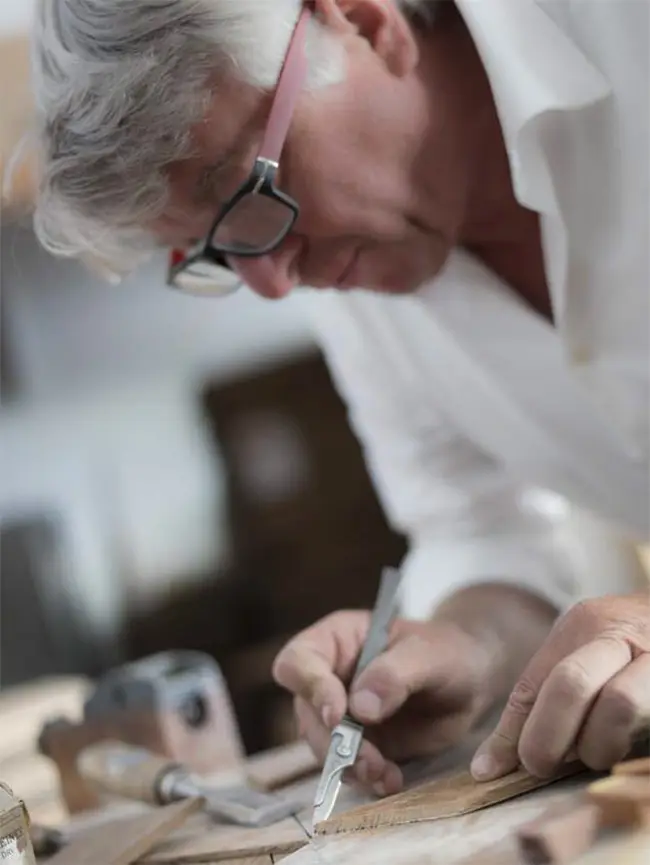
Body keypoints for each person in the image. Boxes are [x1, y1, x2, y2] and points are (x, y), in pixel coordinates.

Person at [30, 0, 649, 797]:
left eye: (247, 193)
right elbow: (480, 526)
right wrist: (464, 645)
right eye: (212, 250)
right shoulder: (357, 279)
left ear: (363, 20)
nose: (274, 283)